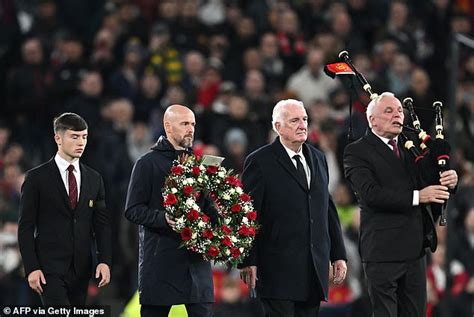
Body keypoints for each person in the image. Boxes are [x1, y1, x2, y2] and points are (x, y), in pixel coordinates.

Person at [343, 92, 458, 316]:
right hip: (382, 251)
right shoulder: (357, 151)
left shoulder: (411, 146)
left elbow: (430, 183)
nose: (397, 114)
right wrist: (418, 196)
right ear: (372, 120)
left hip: (415, 250)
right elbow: (371, 194)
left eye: (399, 110)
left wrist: (450, 180)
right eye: (389, 111)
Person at [239, 99, 348, 317]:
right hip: (276, 269)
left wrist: (338, 254)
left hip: (312, 270)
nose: (302, 125)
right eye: (295, 120)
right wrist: (248, 260)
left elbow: (326, 208)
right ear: (277, 127)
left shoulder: (318, 158)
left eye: (305, 119)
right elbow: (247, 213)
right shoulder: (260, 161)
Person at [124, 104, 214, 317]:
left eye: (193, 124)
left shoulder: (199, 165)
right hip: (161, 261)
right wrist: (163, 218)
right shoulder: (147, 163)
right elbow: (132, 209)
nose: (190, 129)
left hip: (196, 263)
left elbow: (207, 207)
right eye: (184, 123)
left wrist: (222, 222)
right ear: (167, 126)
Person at [18, 112, 111, 305]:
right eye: (74, 136)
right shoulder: (36, 178)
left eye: (84, 137)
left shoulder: (95, 179)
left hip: (81, 269)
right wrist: (31, 267)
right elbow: (25, 226)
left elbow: (101, 225)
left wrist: (104, 261)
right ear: (57, 138)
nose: (81, 142)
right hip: (48, 269)